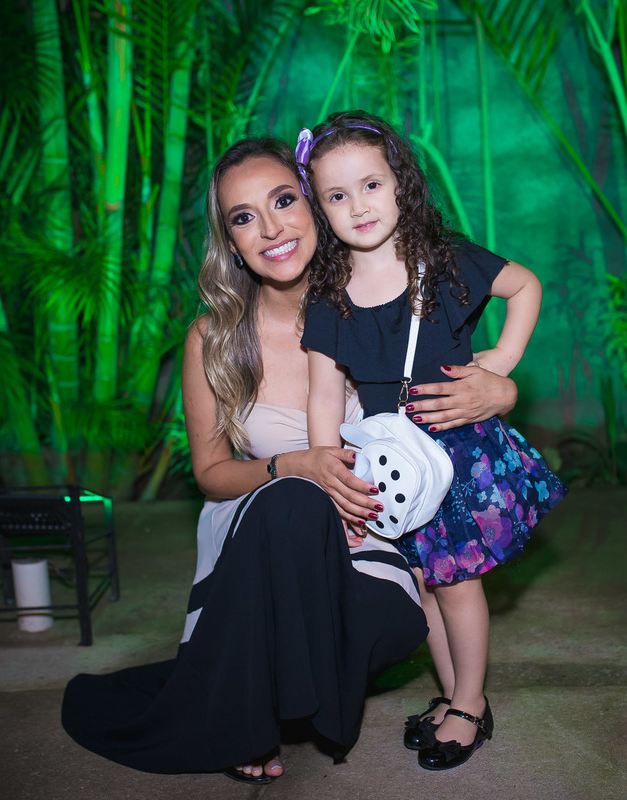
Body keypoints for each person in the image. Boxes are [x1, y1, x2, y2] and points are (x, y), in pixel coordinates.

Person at [61, 137, 518, 783]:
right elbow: (211, 474)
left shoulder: (382, 302)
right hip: (262, 537)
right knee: (295, 502)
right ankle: (247, 716)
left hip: (367, 538)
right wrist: (294, 466)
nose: (271, 229)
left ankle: (261, 685)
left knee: (391, 611)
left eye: (283, 201)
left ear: (318, 205)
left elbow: (452, 393)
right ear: (231, 241)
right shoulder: (213, 339)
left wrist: (502, 389)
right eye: (244, 217)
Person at [299, 111, 568, 771]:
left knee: (457, 583)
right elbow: (323, 396)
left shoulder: (442, 260)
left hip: (455, 452)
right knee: (423, 581)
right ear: (321, 210)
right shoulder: (328, 296)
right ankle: (455, 697)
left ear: (401, 183)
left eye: (371, 185)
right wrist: (332, 478)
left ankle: (470, 706)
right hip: (392, 465)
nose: (358, 206)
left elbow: (525, 285)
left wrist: (502, 360)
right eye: (337, 195)